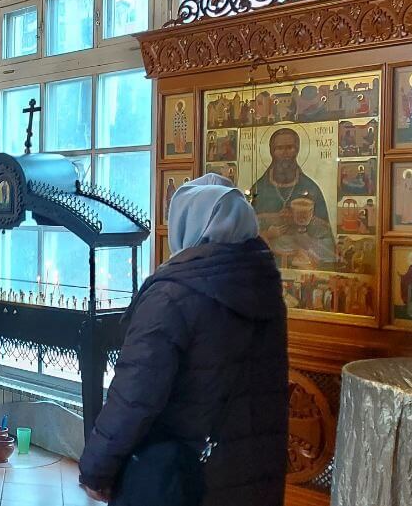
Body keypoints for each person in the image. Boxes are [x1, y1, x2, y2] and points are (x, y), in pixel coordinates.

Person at [79, 173, 288, 506]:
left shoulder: (171, 296)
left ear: (187, 224)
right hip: (252, 474)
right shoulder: (264, 287)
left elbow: (134, 396)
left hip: (182, 479)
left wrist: (96, 469)